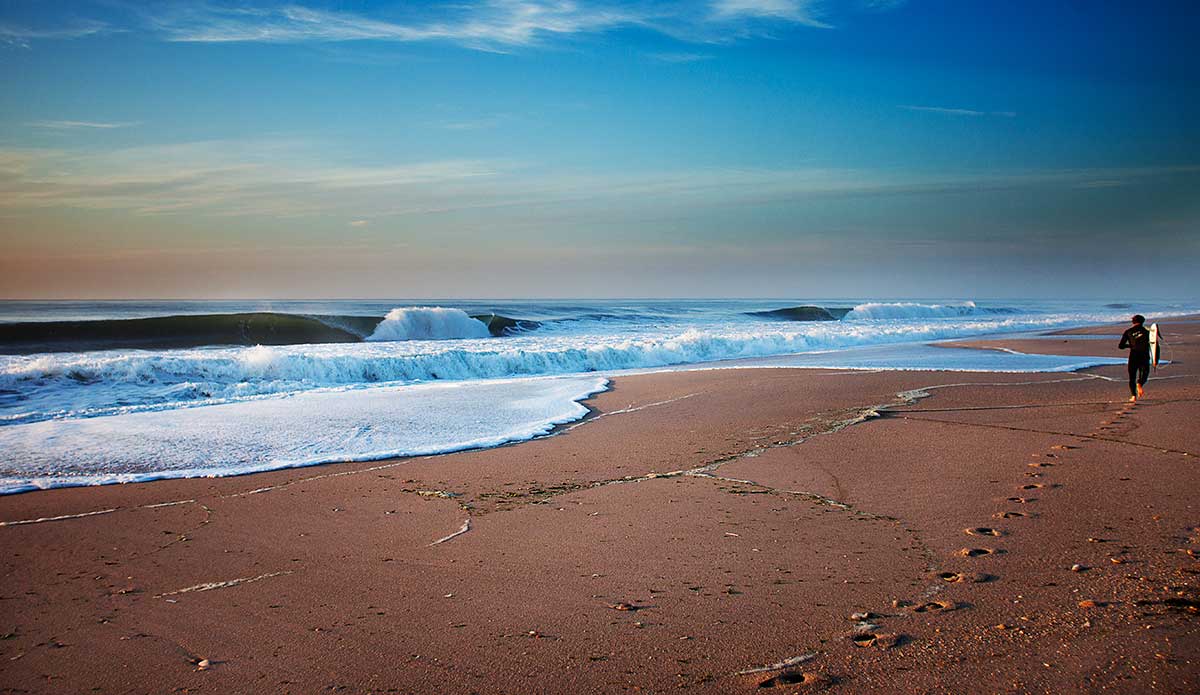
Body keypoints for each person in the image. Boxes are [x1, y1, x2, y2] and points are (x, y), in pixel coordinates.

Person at [1118, 314, 1151, 401]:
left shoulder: (1128, 331)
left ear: (1133, 322)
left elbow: (1121, 346)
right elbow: (1154, 344)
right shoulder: (1148, 332)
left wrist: (1131, 346)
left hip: (1133, 356)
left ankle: (1133, 396)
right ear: (1143, 321)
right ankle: (1139, 383)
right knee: (1144, 373)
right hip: (1144, 355)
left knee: (1132, 377)